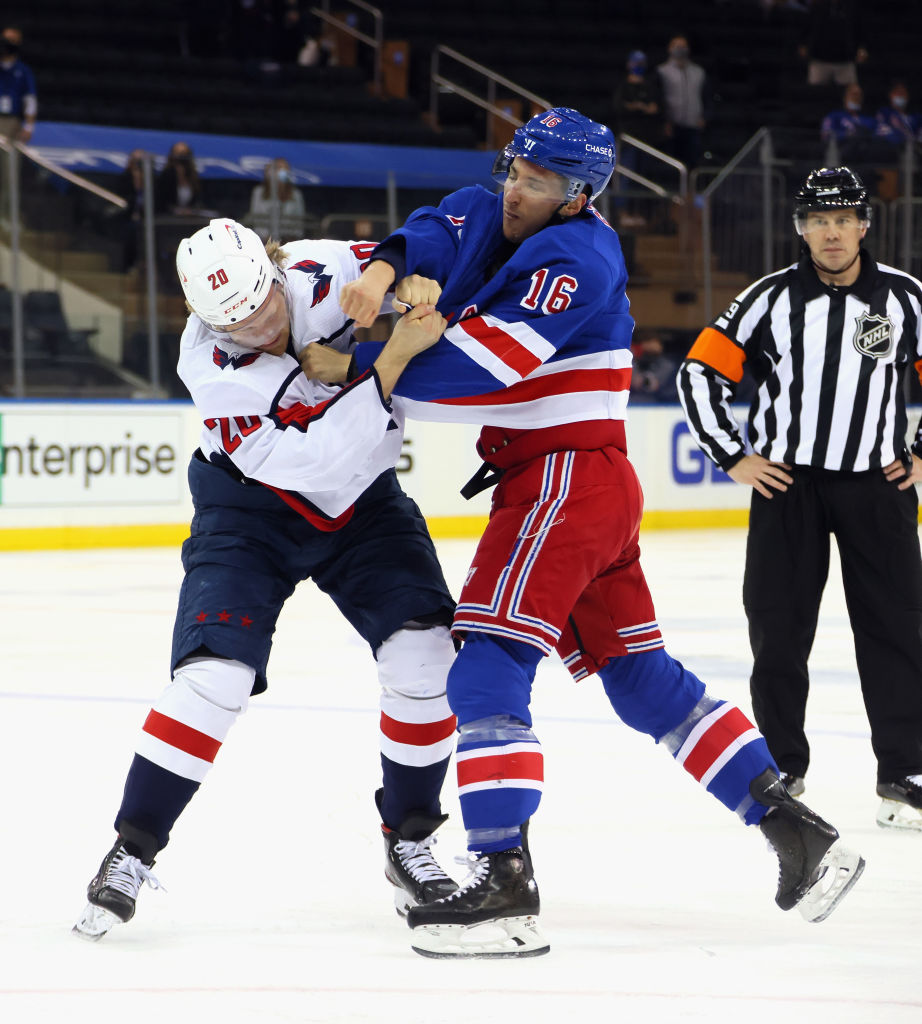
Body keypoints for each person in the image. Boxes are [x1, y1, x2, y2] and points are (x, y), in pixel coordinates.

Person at [301, 109, 865, 958]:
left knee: (484, 667)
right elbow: (436, 227)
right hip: (583, 483)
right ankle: (800, 836)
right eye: (515, 170)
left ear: (578, 196)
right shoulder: (497, 207)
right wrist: (385, 271)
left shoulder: (579, 257)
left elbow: (484, 368)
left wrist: (361, 366)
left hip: (562, 480)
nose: (516, 190)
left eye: (538, 183)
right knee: (640, 679)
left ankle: (502, 882)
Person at [72, 219, 461, 940]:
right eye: (239, 325)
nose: (261, 328)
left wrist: (397, 278)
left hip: (366, 506)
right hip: (249, 514)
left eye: (265, 306)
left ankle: (409, 838)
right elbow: (320, 458)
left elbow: (427, 239)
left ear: (275, 269)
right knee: (212, 678)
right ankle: (131, 848)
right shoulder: (208, 365)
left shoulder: (322, 267)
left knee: (427, 656)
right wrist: (392, 356)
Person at [677, 167, 922, 831]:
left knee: (897, 629)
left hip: (878, 486)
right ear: (801, 229)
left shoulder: (905, 297)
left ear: (864, 225)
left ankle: (904, 773)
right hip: (788, 487)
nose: (831, 232)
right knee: (778, 630)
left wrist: (920, 452)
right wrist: (733, 456)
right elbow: (698, 372)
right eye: (818, 220)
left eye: (842, 219)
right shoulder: (767, 299)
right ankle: (782, 766)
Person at [611, 49, 662, 227]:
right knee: (626, 176)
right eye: (635, 62)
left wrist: (636, 106)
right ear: (628, 64)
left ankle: (639, 212)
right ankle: (623, 213)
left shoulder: (649, 87)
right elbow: (619, 107)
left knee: (643, 179)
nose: (638, 66)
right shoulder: (623, 87)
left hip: (646, 140)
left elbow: (655, 109)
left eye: (641, 63)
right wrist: (641, 107)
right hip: (628, 140)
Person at [656, 35, 708, 170]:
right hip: (672, 126)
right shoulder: (662, 71)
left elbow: (706, 96)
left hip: (693, 125)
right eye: (676, 46)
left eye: (683, 46)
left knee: (693, 163)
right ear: (669, 48)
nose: (680, 49)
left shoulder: (698, 72)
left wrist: (705, 117)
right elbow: (659, 98)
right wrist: (664, 121)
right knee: (673, 164)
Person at [799, 0, 867, 87]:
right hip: (819, 60)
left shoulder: (852, 8)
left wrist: (862, 48)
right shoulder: (817, 7)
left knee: (849, 90)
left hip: (845, 61)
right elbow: (807, 27)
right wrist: (803, 44)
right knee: (816, 92)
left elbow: (859, 29)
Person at [246, 157, 308, 242]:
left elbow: (299, 221)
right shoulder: (258, 192)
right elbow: (256, 218)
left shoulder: (296, 194)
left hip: (289, 239)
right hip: (264, 239)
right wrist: (265, 238)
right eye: (278, 168)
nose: (283, 171)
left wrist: (293, 238)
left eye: (285, 168)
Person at [0, 26, 36, 143]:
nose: (7, 44)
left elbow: (30, 100)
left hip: (12, 121)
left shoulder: (23, 71)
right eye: (5, 40)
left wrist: (29, 127)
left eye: (12, 40)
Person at [629, 329, 680, 403]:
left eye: (653, 342)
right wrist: (633, 381)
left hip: (662, 403)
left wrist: (657, 386)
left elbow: (672, 392)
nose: (650, 346)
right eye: (646, 342)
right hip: (633, 402)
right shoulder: (630, 363)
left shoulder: (668, 365)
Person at [155, 141, 203, 216]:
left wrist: (192, 210)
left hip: (189, 218)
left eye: (184, 153)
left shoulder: (193, 176)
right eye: (178, 153)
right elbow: (160, 201)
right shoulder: (166, 176)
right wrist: (175, 210)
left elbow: (197, 200)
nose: (181, 156)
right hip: (168, 217)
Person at [875, 81, 922, 147]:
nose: (900, 95)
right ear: (890, 95)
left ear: (908, 96)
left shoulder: (917, 118)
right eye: (897, 92)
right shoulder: (885, 113)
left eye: (903, 93)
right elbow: (882, 133)